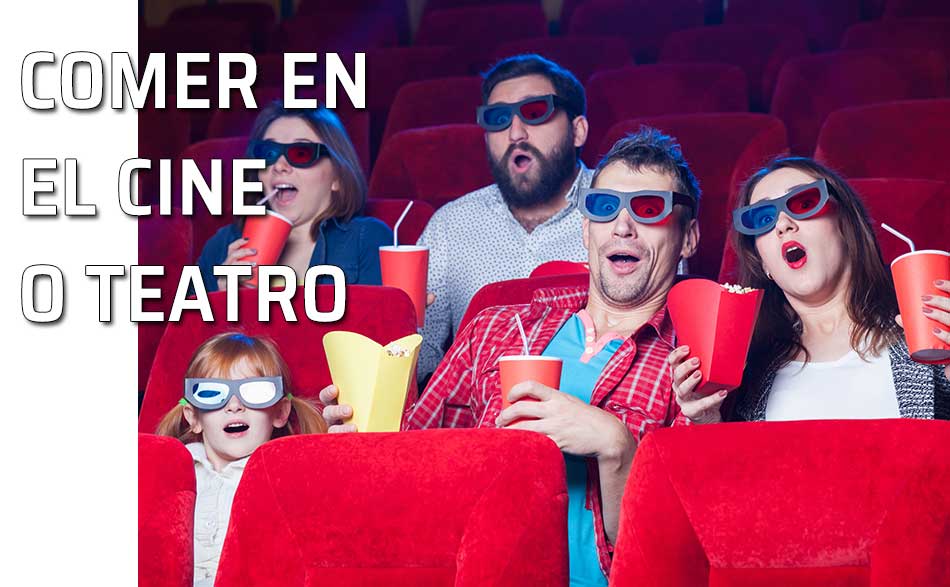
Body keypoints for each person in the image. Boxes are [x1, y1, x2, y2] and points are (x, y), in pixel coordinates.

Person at [323, 129, 702, 584]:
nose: (622, 226)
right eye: (604, 208)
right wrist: (360, 440)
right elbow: (410, 475)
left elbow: (678, 558)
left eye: (648, 208)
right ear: (585, 230)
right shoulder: (496, 327)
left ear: (689, 238)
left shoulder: (696, 365)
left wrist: (617, 448)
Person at [669, 157, 950, 423]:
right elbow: (731, 469)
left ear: (846, 225)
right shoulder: (748, 367)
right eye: (762, 218)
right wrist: (706, 420)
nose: (783, 225)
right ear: (763, 262)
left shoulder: (922, 332)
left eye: (804, 202)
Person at [418, 54, 595, 377]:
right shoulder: (450, 224)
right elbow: (423, 354)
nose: (515, 133)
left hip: (594, 409)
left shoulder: (619, 207)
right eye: (498, 118)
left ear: (578, 130)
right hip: (477, 416)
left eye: (535, 112)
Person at [156, 332, 327, 587]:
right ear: (193, 418)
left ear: (280, 412)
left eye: (255, 391)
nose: (234, 405)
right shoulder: (170, 471)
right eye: (213, 393)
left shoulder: (286, 477)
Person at [196, 101, 392, 292]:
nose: (279, 166)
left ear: (337, 178)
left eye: (301, 153)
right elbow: (184, 322)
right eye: (268, 152)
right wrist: (221, 302)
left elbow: (378, 322)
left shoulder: (366, 238)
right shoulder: (223, 244)